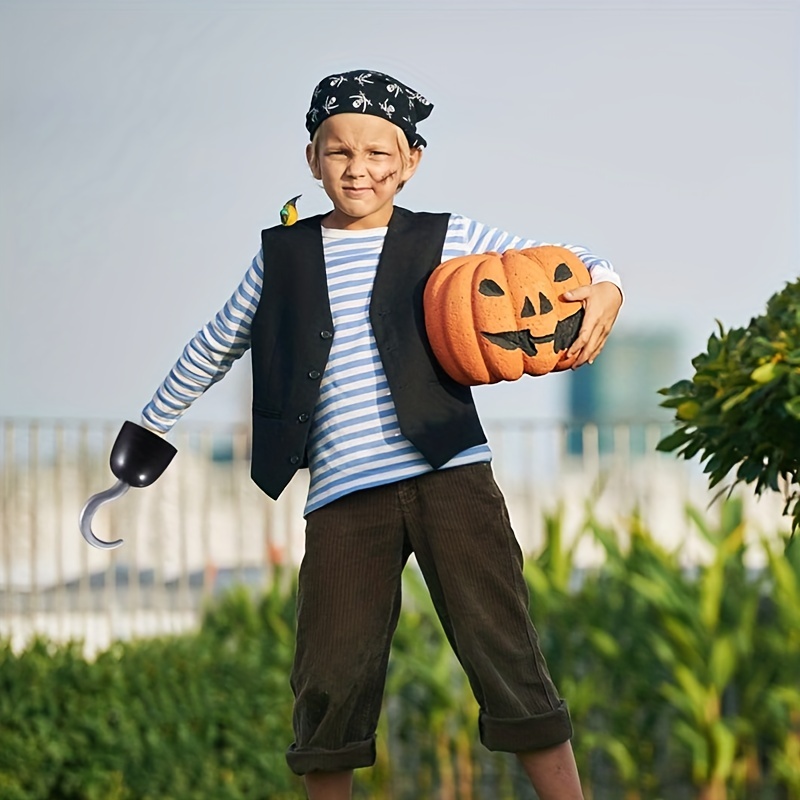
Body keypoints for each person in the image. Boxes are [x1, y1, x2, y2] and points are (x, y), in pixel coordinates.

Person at [140, 69, 622, 800]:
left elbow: (570, 263)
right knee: (329, 676)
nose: (357, 170)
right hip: (342, 496)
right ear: (312, 159)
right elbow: (215, 344)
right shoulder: (282, 255)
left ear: (410, 163)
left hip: (450, 473)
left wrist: (608, 286)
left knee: (504, 650)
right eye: (339, 153)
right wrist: (149, 426)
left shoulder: (447, 235)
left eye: (377, 155)